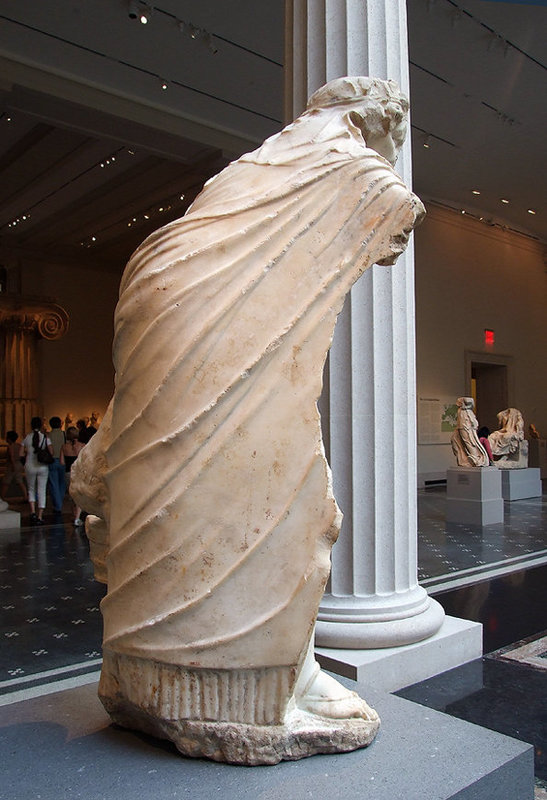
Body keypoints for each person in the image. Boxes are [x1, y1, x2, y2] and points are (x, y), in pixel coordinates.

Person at [71, 76, 424, 761]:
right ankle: (253, 686)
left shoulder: (253, 168)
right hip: (205, 325)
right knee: (270, 500)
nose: (394, 153)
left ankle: (268, 671)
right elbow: (394, 210)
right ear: (371, 123)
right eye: (394, 138)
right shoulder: (347, 164)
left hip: (166, 305)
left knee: (225, 494)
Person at [22, 416, 53, 525]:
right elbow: (52, 452)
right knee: (42, 490)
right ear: (40, 425)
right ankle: (40, 516)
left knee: (31, 489)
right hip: (42, 466)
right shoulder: (45, 438)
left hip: (30, 466)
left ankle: (32, 512)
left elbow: (21, 453)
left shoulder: (27, 438)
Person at [60, 426, 85, 525]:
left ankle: (74, 514)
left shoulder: (64, 447)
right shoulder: (82, 446)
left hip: (68, 472)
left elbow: (62, 462)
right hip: (78, 472)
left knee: (72, 495)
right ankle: (77, 518)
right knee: (79, 496)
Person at [1, 431, 28, 502]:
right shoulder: (19, 446)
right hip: (19, 464)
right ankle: (25, 495)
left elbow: (11, 456)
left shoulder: (10, 447)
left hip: (12, 465)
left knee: (6, 482)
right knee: (20, 481)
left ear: (9, 439)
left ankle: (2, 497)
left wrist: (12, 465)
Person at [47, 416, 66, 513]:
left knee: (54, 484)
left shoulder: (48, 435)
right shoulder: (64, 434)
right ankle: (60, 502)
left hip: (52, 460)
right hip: (63, 459)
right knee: (62, 482)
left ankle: (58, 505)